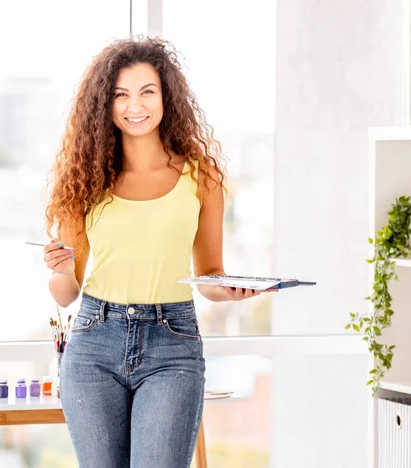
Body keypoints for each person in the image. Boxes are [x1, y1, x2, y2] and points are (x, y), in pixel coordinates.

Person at [43, 36, 269, 468]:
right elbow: (66, 293)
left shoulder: (201, 177)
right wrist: (60, 269)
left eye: (147, 92)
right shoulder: (83, 181)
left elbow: (210, 275)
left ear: (167, 98)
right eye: (121, 94)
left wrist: (235, 290)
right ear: (105, 105)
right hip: (94, 341)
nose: (135, 105)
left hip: (173, 343)